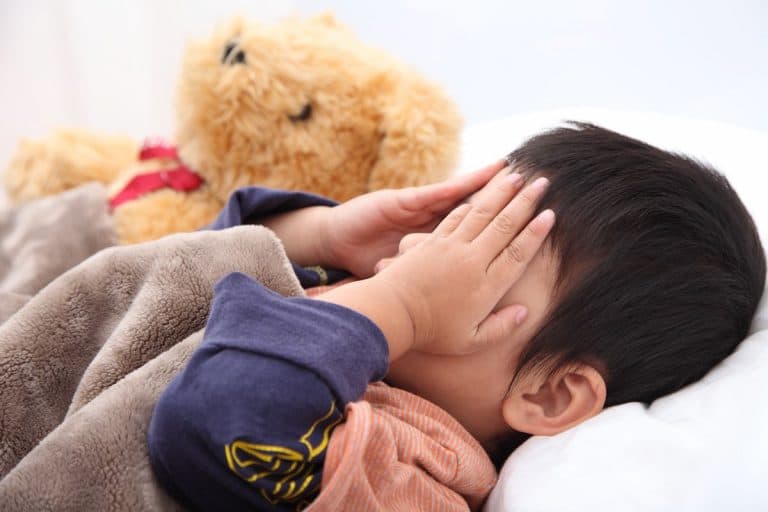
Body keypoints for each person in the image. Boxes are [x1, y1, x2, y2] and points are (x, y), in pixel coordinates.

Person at [147, 122, 765, 511]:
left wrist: (407, 304)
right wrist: (322, 235)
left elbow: (214, 421)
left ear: (551, 393)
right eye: (450, 228)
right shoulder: (372, 319)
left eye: (480, 266)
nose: (418, 257)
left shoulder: (420, 471)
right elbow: (171, 274)